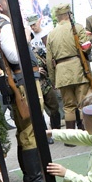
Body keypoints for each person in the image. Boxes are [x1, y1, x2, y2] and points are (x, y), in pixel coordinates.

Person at [0, 0, 46, 182]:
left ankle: (31, 176)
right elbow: (15, 56)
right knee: (31, 129)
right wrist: (26, 38)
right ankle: (36, 179)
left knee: (26, 129)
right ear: (0, 4)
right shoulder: (5, 27)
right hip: (23, 81)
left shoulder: (3, 25)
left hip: (21, 81)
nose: (16, 2)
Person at [46, 3, 92, 140]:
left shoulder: (51, 34)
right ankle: (86, 135)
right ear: (69, 14)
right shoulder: (77, 28)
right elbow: (86, 47)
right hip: (78, 69)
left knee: (68, 106)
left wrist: (53, 79)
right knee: (83, 103)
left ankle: (70, 139)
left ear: (57, 16)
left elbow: (49, 61)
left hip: (61, 72)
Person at [27, 13, 61, 143]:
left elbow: (51, 60)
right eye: (31, 25)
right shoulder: (26, 46)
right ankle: (46, 135)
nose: (33, 27)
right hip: (36, 82)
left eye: (34, 24)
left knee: (54, 107)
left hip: (46, 80)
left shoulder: (43, 41)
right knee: (39, 111)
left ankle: (57, 132)